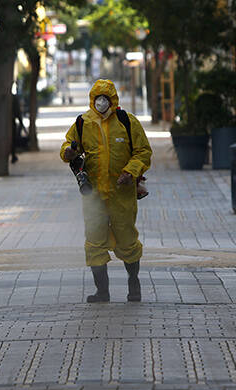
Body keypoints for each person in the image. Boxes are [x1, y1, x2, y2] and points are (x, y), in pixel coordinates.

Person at [60, 79, 152, 303]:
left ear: (113, 99)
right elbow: (67, 146)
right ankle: (102, 291)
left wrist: (130, 172)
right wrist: (69, 152)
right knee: (94, 242)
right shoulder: (83, 123)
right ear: (92, 100)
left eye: (106, 98)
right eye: (97, 98)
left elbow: (143, 152)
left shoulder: (127, 122)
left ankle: (134, 283)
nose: (101, 102)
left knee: (127, 239)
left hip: (122, 194)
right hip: (94, 196)